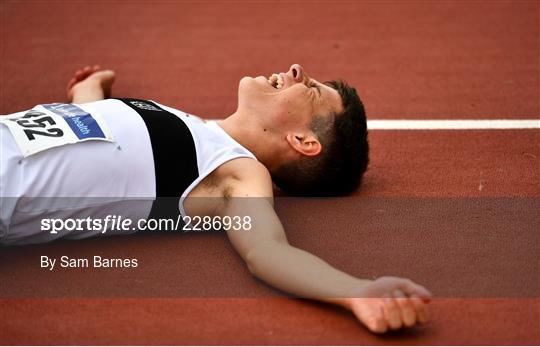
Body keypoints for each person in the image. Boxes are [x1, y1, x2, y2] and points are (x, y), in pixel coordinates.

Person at [0, 64, 431, 334]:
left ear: (303, 140)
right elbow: (92, 126)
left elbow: (267, 251)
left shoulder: (234, 172)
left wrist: (356, 291)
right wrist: (90, 90)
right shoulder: (179, 120)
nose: (297, 68)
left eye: (312, 89)